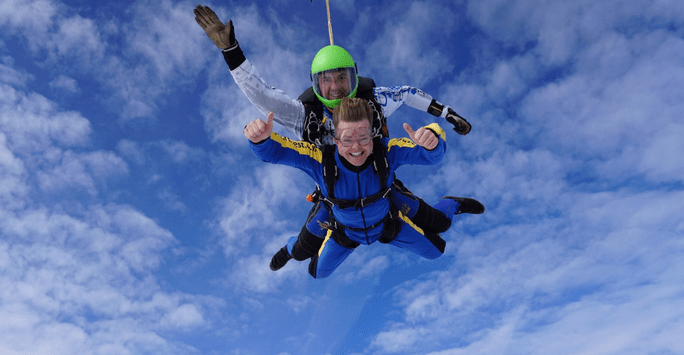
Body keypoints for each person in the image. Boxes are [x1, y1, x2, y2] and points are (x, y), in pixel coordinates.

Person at [194, 5, 481, 270]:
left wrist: (444, 121)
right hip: (334, 196)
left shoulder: (375, 104)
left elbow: (407, 94)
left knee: (439, 226)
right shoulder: (304, 117)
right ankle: (293, 248)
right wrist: (232, 52)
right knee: (305, 253)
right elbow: (264, 97)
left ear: (353, 78)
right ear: (316, 83)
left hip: (379, 185)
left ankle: (450, 204)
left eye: (342, 78)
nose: (335, 88)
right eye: (326, 80)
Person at [245, 98, 483, 278]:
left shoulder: (386, 151)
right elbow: (277, 151)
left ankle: (453, 203)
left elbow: (430, 155)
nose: (357, 147)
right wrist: (259, 139)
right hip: (342, 228)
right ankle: (287, 249)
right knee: (308, 262)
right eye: (347, 139)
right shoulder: (319, 159)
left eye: (364, 137)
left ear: (373, 135)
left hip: (387, 220)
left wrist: (432, 136)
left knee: (438, 242)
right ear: (335, 140)